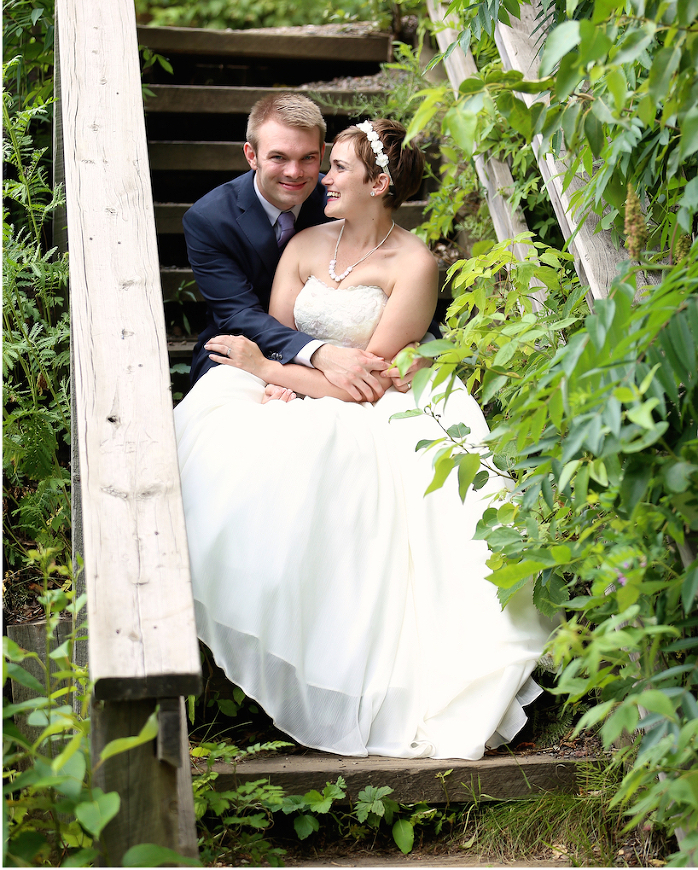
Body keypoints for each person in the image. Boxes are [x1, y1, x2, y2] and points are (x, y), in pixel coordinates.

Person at [174, 119, 551, 760]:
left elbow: (369, 381)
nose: (322, 178)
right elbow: (275, 328)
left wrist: (268, 371)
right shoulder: (304, 246)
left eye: (338, 168)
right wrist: (276, 375)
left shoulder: (416, 263)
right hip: (300, 379)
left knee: (327, 456)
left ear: (377, 184)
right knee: (217, 419)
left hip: (377, 401)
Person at [182, 93, 419, 399]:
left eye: (307, 158)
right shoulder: (209, 220)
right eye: (278, 157)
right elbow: (238, 315)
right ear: (251, 155)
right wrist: (317, 354)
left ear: (321, 153)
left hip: (350, 362)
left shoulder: (345, 199)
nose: (294, 173)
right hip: (245, 346)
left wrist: (421, 347)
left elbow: (400, 278)